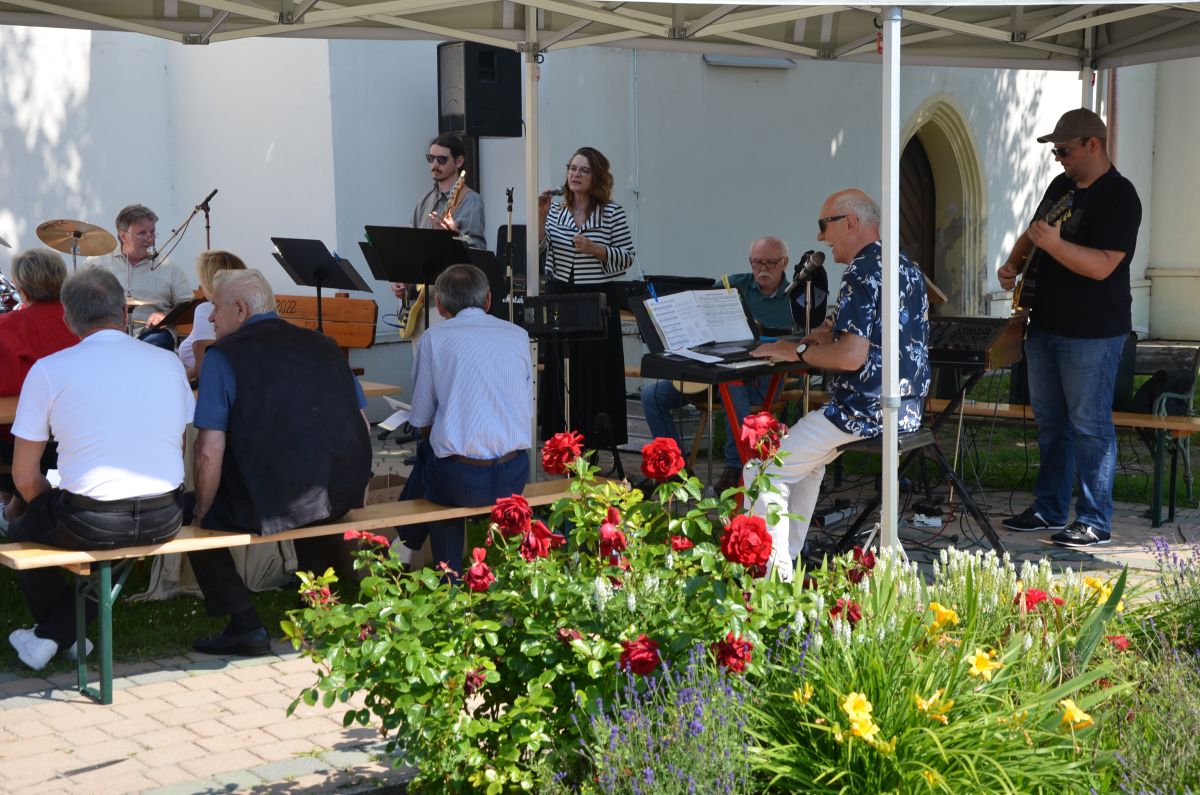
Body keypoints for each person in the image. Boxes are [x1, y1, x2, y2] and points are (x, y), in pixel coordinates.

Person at [5, 268, 193, 670]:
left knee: (22, 527)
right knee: (92, 533)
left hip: (91, 519)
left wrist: (44, 504)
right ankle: (63, 635)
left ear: (68, 319)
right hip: (166, 514)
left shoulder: (49, 370)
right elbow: (177, 443)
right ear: (124, 313)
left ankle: (53, 634)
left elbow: (23, 477)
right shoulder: (169, 362)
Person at [186, 268, 373, 656]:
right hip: (339, 494)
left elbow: (208, 451)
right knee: (308, 494)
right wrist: (360, 484)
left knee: (189, 514)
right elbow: (362, 423)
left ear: (240, 309)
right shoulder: (324, 344)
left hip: (277, 503)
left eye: (215, 308)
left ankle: (245, 624)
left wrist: (202, 510)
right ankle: (320, 607)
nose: (211, 318)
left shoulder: (223, 356)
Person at [747, 189, 930, 581]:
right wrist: (823, 335)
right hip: (906, 409)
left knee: (761, 469)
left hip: (864, 411)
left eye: (824, 225)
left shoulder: (861, 270)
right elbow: (875, 336)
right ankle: (788, 561)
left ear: (850, 223)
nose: (820, 237)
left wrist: (794, 351)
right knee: (806, 465)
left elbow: (851, 357)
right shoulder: (904, 265)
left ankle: (769, 580)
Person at [997, 108, 1142, 547]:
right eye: (1055, 152)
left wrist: (1055, 245)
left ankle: (1095, 521)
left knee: (1089, 426)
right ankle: (1049, 509)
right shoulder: (1060, 187)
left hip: (1093, 333)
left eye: (1063, 150)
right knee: (1051, 424)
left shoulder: (1120, 197)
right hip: (1044, 324)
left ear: (1092, 145)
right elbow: (1035, 232)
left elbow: (1103, 265)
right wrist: (1013, 263)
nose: (1058, 159)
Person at [395, 263, 532, 576]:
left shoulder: (434, 338)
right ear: (488, 299)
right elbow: (525, 408)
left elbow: (421, 418)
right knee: (435, 459)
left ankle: (435, 566)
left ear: (440, 305)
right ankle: (405, 548)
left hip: (460, 481)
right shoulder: (518, 335)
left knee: (431, 458)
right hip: (515, 473)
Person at [639, 236, 800, 491]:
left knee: (732, 385)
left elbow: (802, 342)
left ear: (785, 262)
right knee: (652, 396)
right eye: (757, 262)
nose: (763, 268)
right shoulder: (733, 285)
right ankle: (676, 469)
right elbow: (699, 311)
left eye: (770, 262)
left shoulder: (795, 297)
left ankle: (736, 468)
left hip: (763, 378)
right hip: (716, 372)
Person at [536, 146, 636, 449]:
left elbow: (627, 256)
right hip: (560, 295)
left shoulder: (612, 212)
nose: (575, 175)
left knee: (595, 371)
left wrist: (597, 250)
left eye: (584, 170)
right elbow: (538, 249)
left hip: (596, 298)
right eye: (572, 168)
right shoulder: (556, 210)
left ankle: (594, 441)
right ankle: (561, 441)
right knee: (561, 368)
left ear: (597, 177)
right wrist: (540, 215)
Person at [0, 249, 78, 506]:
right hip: (75, 434)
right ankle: (15, 506)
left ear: (22, 290)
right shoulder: (82, 322)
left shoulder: (7, 326)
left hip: (18, 441)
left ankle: (11, 505)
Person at [389, 133, 487, 318]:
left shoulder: (470, 200)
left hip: (448, 303)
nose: (434, 164)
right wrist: (401, 279)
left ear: (458, 162)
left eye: (441, 159)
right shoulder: (424, 201)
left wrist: (454, 236)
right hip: (417, 304)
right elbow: (410, 248)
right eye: (431, 158)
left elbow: (478, 252)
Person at [87, 204, 193, 351]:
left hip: (153, 334)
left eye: (152, 232)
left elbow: (187, 304)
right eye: (142, 233)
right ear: (123, 236)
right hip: (109, 333)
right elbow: (78, 299)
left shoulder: (169, 266)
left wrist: (165, 316)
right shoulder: (99, 263)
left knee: (155, 343)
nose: (150, 239)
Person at [177, 250, 247, 380]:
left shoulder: (206, 310)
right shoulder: (249, 307)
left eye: (202, 279)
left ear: (210, 281)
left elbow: (203, 368)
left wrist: (177, 376)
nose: (200, 284)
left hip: (211, 385)